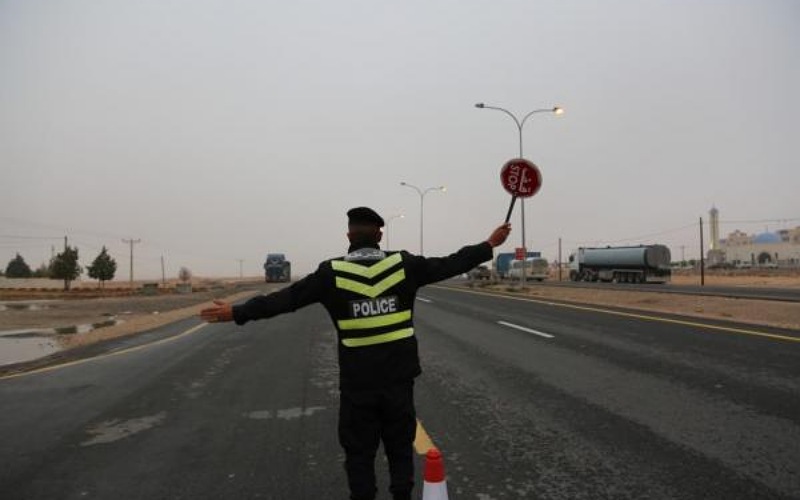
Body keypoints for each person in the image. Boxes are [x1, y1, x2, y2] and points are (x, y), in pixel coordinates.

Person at [200, 207, 511, 500]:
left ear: (349, 236)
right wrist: (489, 244)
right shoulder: (403, 265)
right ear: (380, 236)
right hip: (398, 381)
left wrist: (238, 312)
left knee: (359, 453)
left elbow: (286, 299)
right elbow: (452, 263)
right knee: (400, 448)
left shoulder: (330, 273)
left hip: (357, 386)